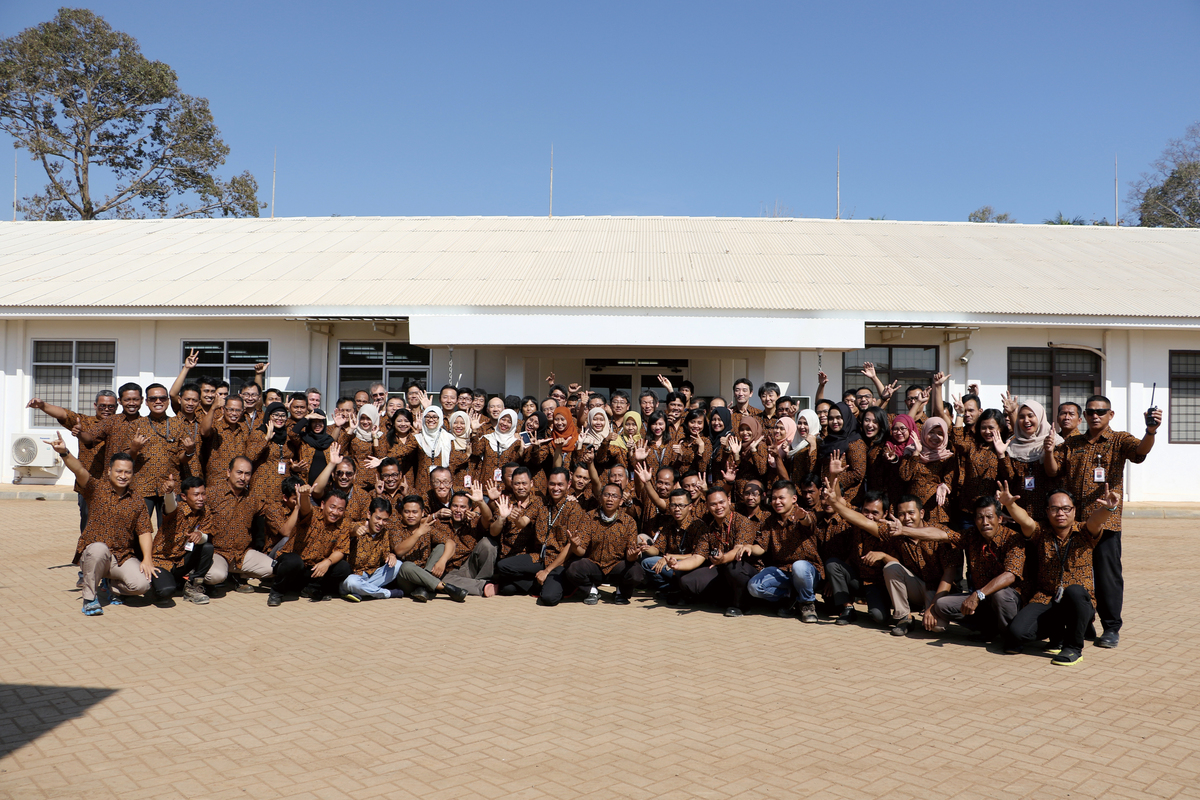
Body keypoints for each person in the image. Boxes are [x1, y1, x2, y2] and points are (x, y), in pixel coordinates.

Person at [1044, 394, 1159, 649]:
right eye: (1091, 412)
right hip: (1077, 525)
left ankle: (1111, 628)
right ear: (1084, 415)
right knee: (1075, 575)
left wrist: (1150, 431)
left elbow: (1140, 451)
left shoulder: (1119, 440)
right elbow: (1053, 470)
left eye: (1101, 411)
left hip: (1106, 522)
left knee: (1107, 577)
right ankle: (1084, 622)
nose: (1095, 415)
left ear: (1111, 414)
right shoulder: (1073, 443)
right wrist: (1049, 450)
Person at [1001, 483, 1121, 666]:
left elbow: (1096, 521)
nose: (1060, 513)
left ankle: (1073, 648)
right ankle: (1058, 636)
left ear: (1074, 511)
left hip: (1078, 601)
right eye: (1054, 509)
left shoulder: (1084, 531)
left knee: (1074, 591)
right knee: (1017, 633)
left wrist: (1108, 508)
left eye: (1066, 508)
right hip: (1047, 597)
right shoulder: (1040, 532)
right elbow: (1025, 521)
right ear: (1047, 511)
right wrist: (1010, 505)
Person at [48, 433, 153, 616]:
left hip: (121, 556)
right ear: (109, 471)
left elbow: (144, 531)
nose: (123, 476)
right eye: (118, 471)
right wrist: (64, 452)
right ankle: (90, 599)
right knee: (98, 549)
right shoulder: (96, 489)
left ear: (132, 474)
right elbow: (80, 470)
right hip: (95, 555)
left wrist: (147, 559)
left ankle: (112, 586)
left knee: (142, 585)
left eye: (127, 472)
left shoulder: (136, 499)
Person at [900, 494, 1026, 640]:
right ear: (974, 520)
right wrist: (903, 530)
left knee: (1000, 595)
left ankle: (1010, 638)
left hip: (1009, 600)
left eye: (989, 517)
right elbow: (942, 535)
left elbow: (1010, 575)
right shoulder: (972, 535)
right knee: (941, 604)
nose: (985, 522)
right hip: (982, 600)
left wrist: (978, 594)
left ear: (1000, 519)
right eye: (980, 517)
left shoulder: (1013, 538)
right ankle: (987, 629)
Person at [27, 390, 117, 532]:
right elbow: (64, 414)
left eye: (110, 406)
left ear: (116, 407)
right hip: (88, 484)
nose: (106, 409)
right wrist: (43, 405)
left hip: (117, 485)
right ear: (95, 405)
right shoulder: (84, 422)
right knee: (89, 528)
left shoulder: (122, 425)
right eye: (102, 406)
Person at [495, 468, 580, 604]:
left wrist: (547, 571)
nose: (556, 488)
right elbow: (523, 523)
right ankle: (540, 583)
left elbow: (570, 548)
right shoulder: (541, 502)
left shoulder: (574, 508)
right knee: (502, 567)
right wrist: (517, 518)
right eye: (552, 484)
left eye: (560, 484)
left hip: (559, 562)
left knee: (549, 598)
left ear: (568, 485)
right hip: (539, 557)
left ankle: (556, 584)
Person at [744, 480, 824, 622]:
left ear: (794, 499)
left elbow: (808, 522)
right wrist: (749, 547)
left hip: (808, 572)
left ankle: (807, 605)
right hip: (783, 572)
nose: (777, 502)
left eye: (781, 498)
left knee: (799, 566)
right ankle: (791, 598)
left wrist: (802, 517)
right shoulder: (770, 521)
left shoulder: (804, 514)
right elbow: (761, 547)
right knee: (754, 587)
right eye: (774, 498)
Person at [677, 486, 760, 617]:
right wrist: (676, 565)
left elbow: (738, 550)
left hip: (744, 568)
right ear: (707, 506)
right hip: (721, 569)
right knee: (687, 581)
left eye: (721, 502)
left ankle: (740, 605)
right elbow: (698, 556)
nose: (718, 507)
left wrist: (722, 559)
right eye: (713, 504)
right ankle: (724, 598)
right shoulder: (708, 527)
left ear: (729, 500)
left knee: (734, 569)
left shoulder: (742, 522)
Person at [561, 483, 645, 605]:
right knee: (573, 568)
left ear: (621, 501)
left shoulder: (629, 522)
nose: (610, 499)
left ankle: (621, 592)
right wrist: (574, 545)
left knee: (636, 572)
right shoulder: (589, 517)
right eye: (606, 495)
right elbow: (581, 551)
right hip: (594, 566)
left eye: (614, 496)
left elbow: (629, 556)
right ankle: (592, 590)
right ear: (600, 498)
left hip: (617, 567)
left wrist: (633, 555)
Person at [271, 486, 354, 604]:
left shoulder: (344, 523)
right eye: (332, 507)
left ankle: (311, 589)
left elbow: (341, 550)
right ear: (322, 505)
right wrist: (305, 495)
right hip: (295, 565)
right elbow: (305, 508)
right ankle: (276, 592)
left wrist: (327, 562)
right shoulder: (312, 514)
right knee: (293, 561)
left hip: (314, 569)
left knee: (343, 568)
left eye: (340, 509)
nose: (335, 512)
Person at [204, 456, 275, 592]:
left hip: (242, 555)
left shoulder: (252, 498)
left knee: (273, 568)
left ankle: (238, 576)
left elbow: (271, 512)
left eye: (247, 474)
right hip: (218, 553)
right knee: (216, 576)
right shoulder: (212, 494)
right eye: (239, 472)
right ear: (228, 472)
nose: (243, 478)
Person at [388, 496, 469, 602]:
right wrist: (418, 533)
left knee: (441, 547)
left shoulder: (427, 528)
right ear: (402, 513)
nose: (411, 515)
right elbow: (399, 551)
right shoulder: (396, 528)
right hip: (406, 579)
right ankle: (444, 587)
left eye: (415, 512)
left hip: (426, 572)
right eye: (407, 512)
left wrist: (442, 561)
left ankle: (423, 588)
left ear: (422, 513)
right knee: (406, 566)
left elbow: (451, 543)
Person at [150, 476, 215, 605]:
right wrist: (169, 493)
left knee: (207, 548)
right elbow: (170, 505)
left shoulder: (205, 511)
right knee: (166, 591)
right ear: (184, 497)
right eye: (196, 495)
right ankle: (163, 582)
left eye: (203, 494)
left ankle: (192, 586)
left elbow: (205, 536)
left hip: (182, 560)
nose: (201, 498)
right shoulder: (177, 509)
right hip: (162, 561)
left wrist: (200, 535)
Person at [339, 498, 405, 601]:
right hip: (355, 576)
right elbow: (352, 529)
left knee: (398, 565)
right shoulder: (358, 527)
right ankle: (387, 593)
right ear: (369, 514)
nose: (380, 523)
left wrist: (391, 556)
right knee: (352, 582)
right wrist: (356, 531)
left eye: (384, 520)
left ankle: (360, 591)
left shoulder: (384, 532)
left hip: (373, 576)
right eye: (378, 518)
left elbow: (385, 553)